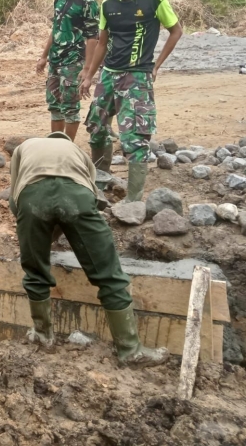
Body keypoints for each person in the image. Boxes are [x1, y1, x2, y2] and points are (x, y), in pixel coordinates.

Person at [9, 132, 168, 367]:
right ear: (65, 141)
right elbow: (92, 196)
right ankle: (130, 350)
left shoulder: (24, 147)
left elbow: (15, 198)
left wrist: (37, 238)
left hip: (32, 198)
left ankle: (44, 337)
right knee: (109, 274)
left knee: (35, 273)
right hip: (78, 196)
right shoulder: (78, 152)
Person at [79, 0, 182, 200]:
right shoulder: (108, 4)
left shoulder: (155, 0)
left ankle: (134, 200)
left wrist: (156, 66)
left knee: (134, 138)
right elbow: (102, 43)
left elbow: (176, 31)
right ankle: (100, 186)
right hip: (109, 75)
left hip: (137, 76)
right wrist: (90, 74)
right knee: (97, 128)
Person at [36, 0, 99, 141]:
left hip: (74, 62)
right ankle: (55, 144)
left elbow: (93, 38)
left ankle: (67, 148)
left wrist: (87, 70)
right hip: (56, 61)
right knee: (54, 105)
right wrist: (44, 56)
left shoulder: (88, 3)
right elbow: (55, 28)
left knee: (70, 107)